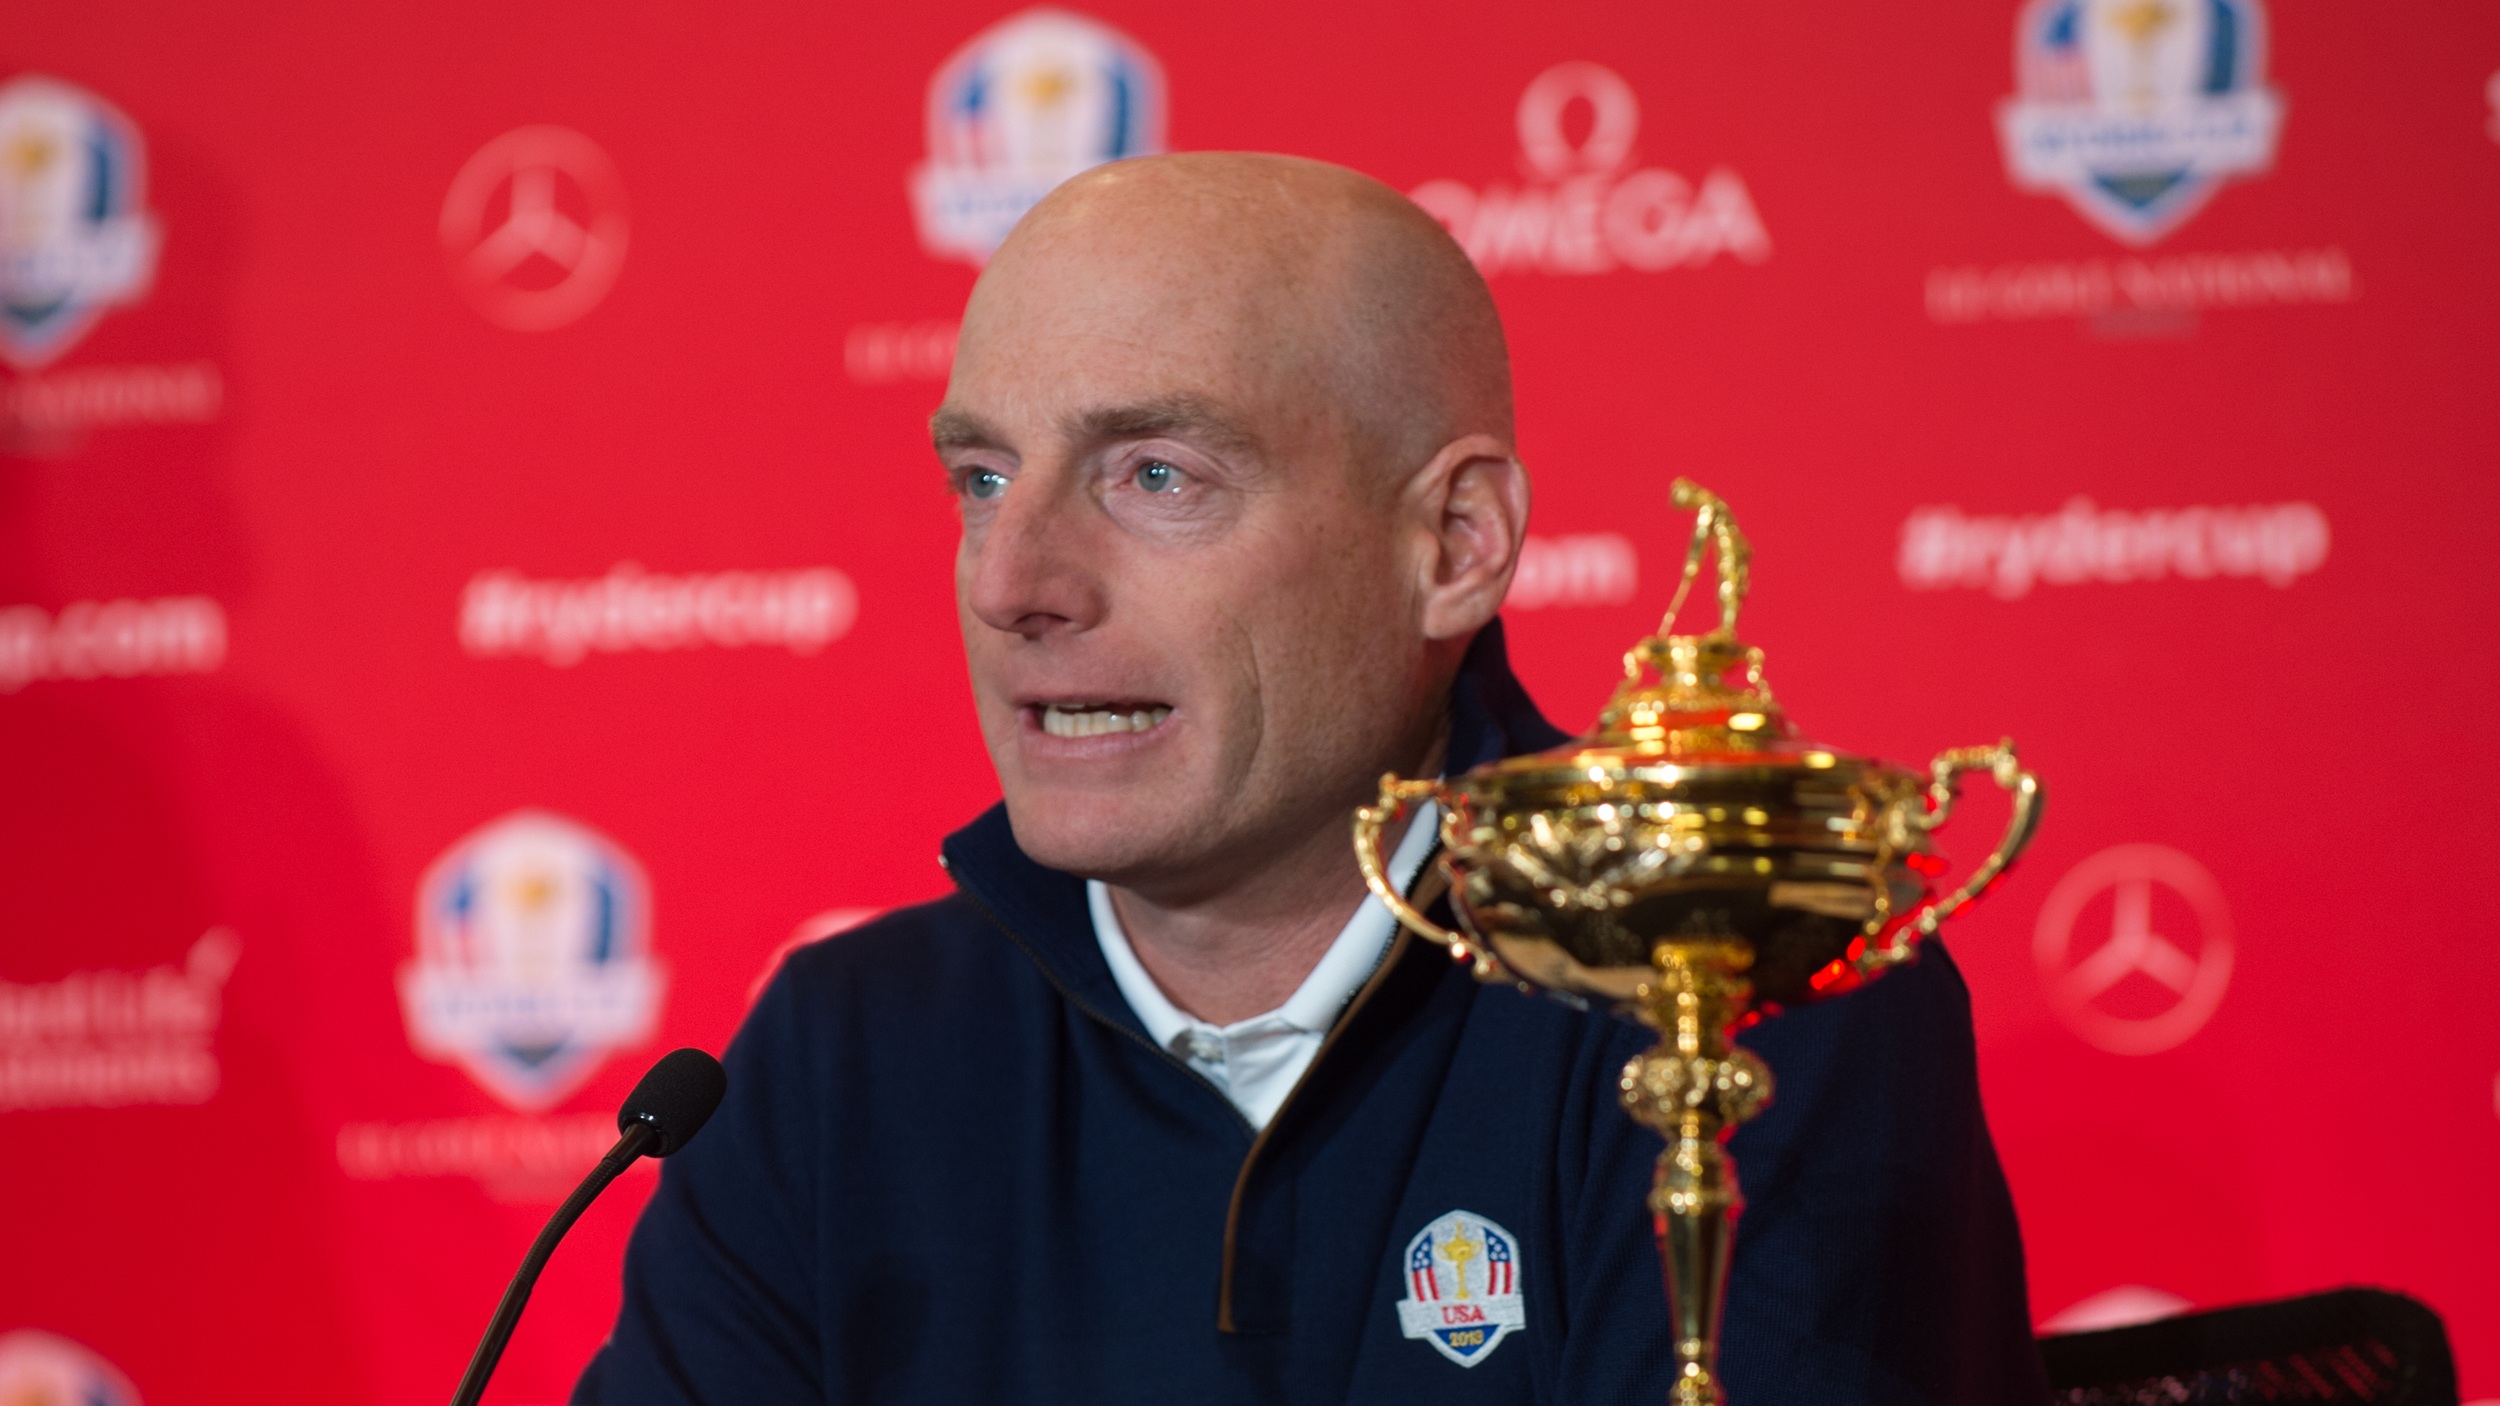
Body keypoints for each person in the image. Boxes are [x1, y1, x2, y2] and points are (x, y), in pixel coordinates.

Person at [575, 153, 2048, 1405]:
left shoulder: (1744, 981)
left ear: (1454, 543)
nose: (1014, 580)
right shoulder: (839, 1056)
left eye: (1155, 474)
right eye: (981, 478)